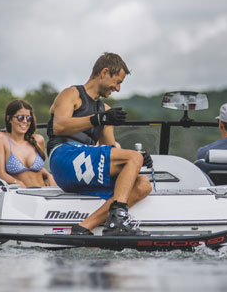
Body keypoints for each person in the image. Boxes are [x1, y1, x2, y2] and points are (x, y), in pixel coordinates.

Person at [47, 52, 152, 236]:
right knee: (132, 158)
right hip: (63, 158)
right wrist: (98, 119)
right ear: (104, 73)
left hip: (84, 168)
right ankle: (118, 221)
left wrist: (140, 158)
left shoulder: (105, 111)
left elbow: (110, 149)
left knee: (143, 184)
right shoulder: (71, 94)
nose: (118, 89)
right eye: (117, 82)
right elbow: (59, 126)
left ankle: (83, 227)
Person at [0, 100, 57, 188]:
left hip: (43, 192)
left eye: (28, 118)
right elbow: (1, 174)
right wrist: (18, 183)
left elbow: (38, 168)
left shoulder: (38, 140)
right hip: (20, 194)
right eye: (20, 117)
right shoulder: (1, 138)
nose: (25, 121)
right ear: (9, 118)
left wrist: (49, 176)